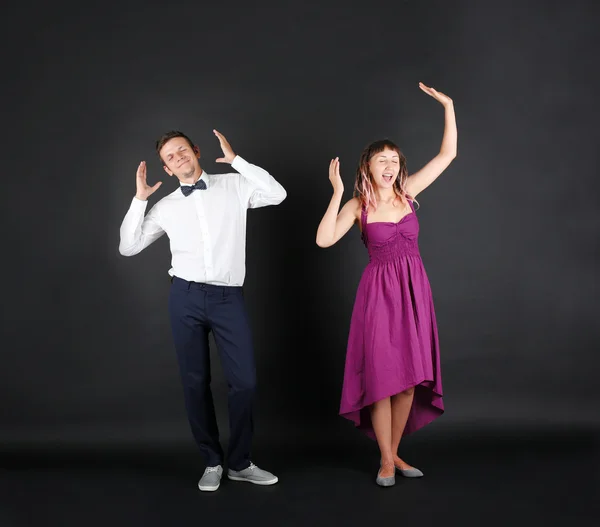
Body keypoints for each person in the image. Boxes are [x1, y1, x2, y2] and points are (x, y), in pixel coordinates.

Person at [119, 129, 286, 492]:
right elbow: (128, 247)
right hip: (185, 298)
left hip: (228, 298)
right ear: (166, 167)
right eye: (170, 156)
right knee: (195, 383)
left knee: (245, 382)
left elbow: (277, 194)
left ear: (196, 151)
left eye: (182, 150)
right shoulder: (165, 207)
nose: (178, 157)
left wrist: (238, 161)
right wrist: (139, 199)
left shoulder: (234, 185)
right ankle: (212, 461)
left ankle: (240, 462)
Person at [316, 82, 457, 487]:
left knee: (410, 382)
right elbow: (324, 239)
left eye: (394, 159)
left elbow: (447, 155)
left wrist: (447, 106)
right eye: (382, 160)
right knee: (381, 382)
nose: (390, 166)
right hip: (378, 295)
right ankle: (385, 461)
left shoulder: (409, 194)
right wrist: (338, 191)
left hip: (415, 292)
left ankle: (394, 454)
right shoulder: (358, 205)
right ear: (368, 167)